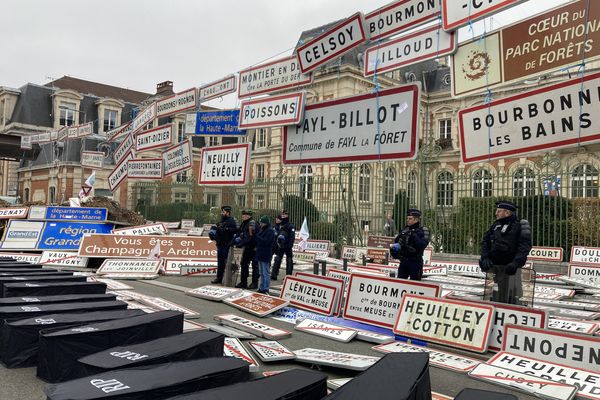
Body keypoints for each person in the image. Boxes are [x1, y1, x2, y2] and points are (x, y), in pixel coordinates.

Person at [479, 200, 532, 305]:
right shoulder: (496, 225)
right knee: (496, 295)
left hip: (511, 271)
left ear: (507, 212)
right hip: (495, 270)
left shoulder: (521, 225)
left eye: (499, 211)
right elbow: (485, 242)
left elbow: (524, 247)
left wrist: (516, 263)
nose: (496, 213)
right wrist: (485, 258)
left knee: (512, 297)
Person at [390, 209, 430, 281]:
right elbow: (396, 241)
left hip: (415, 262)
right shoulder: (405, 229)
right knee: (400, 283)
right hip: (404, 261)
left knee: (415, 284)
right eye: (407, 218)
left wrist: (413, 235)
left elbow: (422, 245)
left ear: (416, 219)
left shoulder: (423, 230)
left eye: (410, 218)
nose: (407, 220)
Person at [210, 205, 238, 285]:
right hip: (220, 244)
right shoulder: (221, 220)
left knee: (227, 262)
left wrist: (227, 229)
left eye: (223, 212)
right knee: (220, 262)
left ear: (228, 212)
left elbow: (236, 230)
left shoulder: (231, 221)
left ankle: (227, 279)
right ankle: (219, 278)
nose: (222, 213)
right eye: (222, 211)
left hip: (226, 244)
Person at [234, 210, 259, 289]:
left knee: (255, 266)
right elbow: (240, 234)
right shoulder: (244, 223)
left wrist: (240, 244)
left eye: (244, 215)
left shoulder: (252, 224)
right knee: (244, 264)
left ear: (249, 216)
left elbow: (249, 237)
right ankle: (243, 282)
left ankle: (254, 283)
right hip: (247, 247)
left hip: (254, 248)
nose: (242, 217)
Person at [270, 210, 295, 280]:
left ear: (287, 215)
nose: (283, 215)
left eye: (285, 214)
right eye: (282, 214)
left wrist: (290, 245)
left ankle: (288, 276)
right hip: (281, 245)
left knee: (289, 259)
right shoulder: (280, 225)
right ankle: (274, 275)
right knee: (278, 259)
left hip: (287, 245)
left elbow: (292, 237)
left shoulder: (290, 225)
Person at [256, 215, 276, 294]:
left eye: (261, 222)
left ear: (265, 223)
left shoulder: (270, 231)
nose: (260, 224)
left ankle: (266, 288)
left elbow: (266, 242)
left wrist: (257, 236)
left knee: (265, 272)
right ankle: (262, 287)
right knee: (261, 272)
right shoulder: (263, 230)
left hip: (265, 253)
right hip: (260, 253)